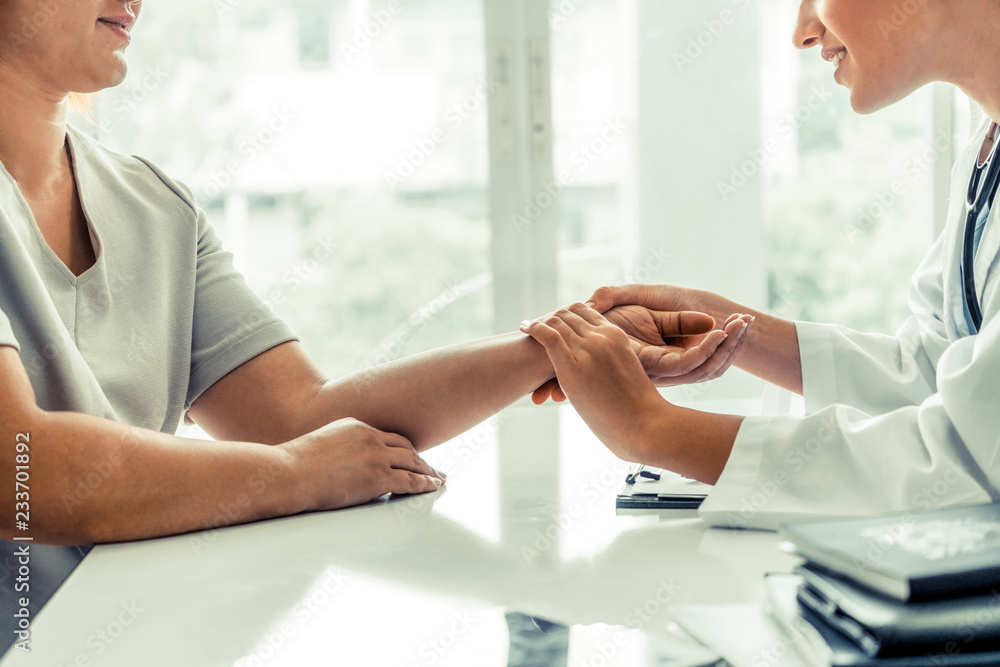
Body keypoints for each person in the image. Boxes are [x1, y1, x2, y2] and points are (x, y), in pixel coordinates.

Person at [0, 0, 759, 653]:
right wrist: (295, 475)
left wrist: (563, 344)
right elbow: (19, 469)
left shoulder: (155, 205)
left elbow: (301, 418)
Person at [523, 0, 1000, 531]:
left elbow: (962, 458)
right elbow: (938, 375)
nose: (802, 32)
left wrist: (647, 428)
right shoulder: (986, 149)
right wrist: (725, 325)